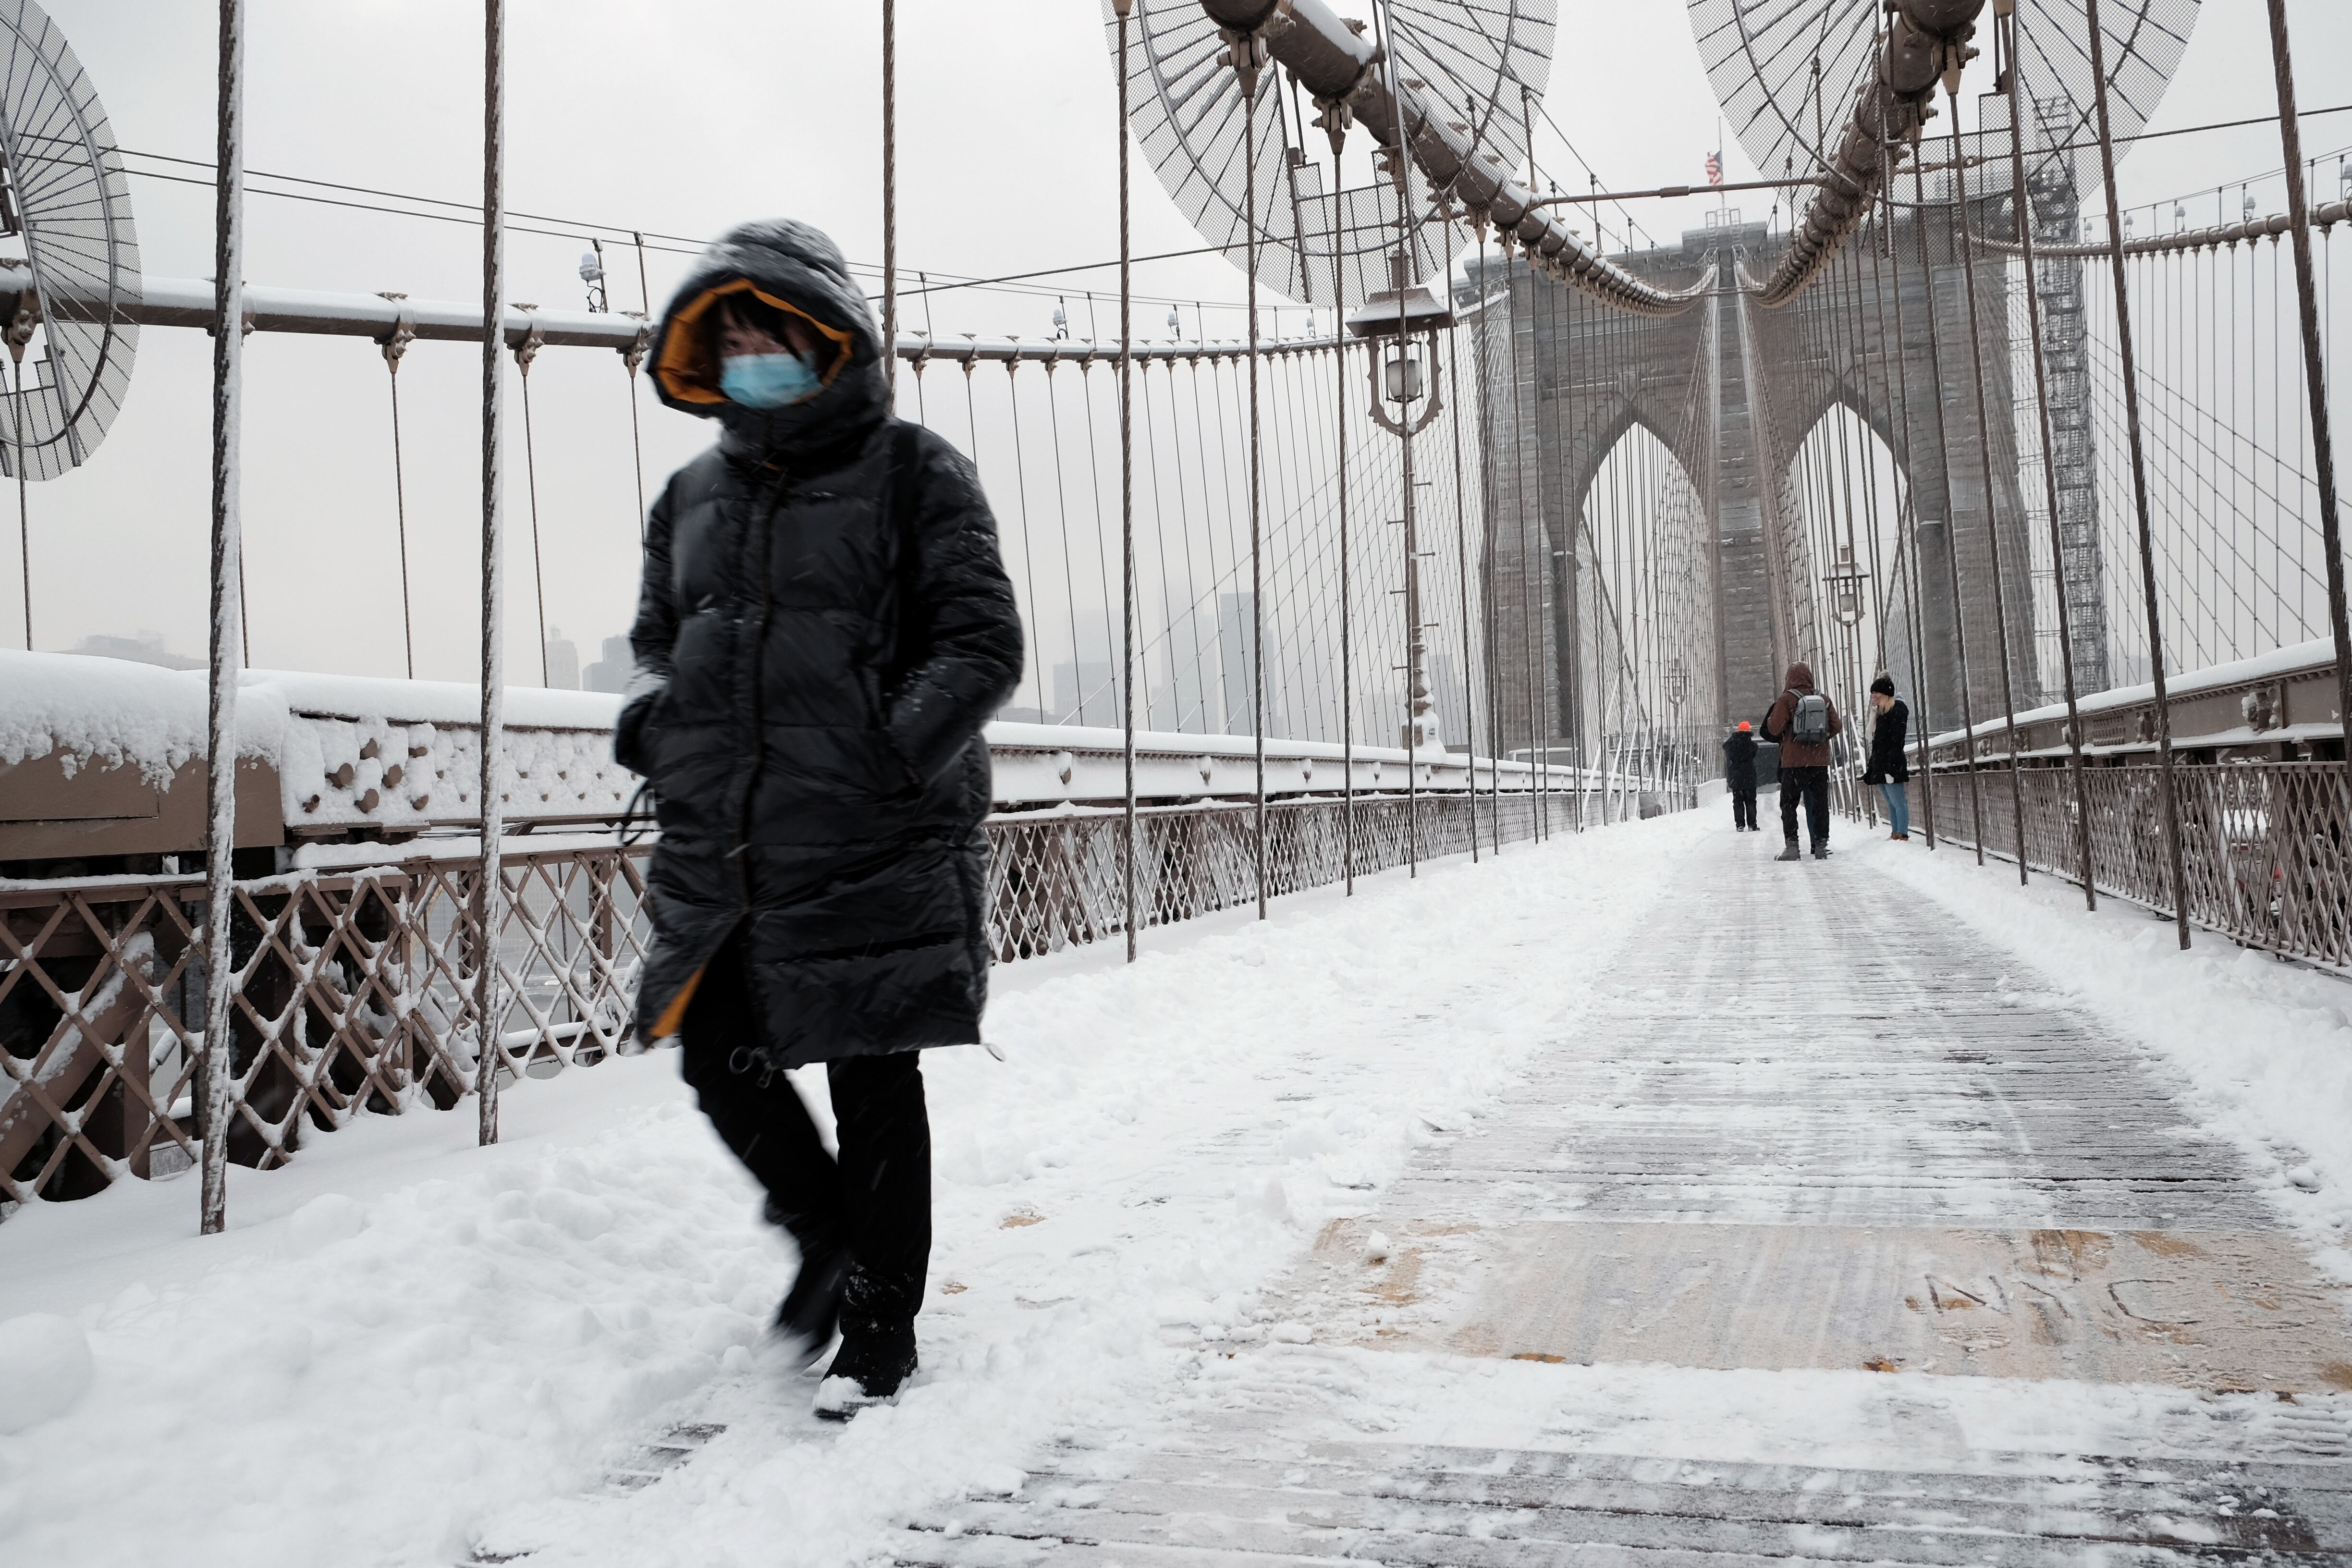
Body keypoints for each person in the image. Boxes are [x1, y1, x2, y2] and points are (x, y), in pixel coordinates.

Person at [616, 219, 1024, 1419]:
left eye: (767, 334)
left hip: (867, 832)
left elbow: (980, 644)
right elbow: (655, 644)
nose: (747, 355)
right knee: (715, 1052)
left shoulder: (915, 472)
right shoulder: (689, 494)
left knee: (868, 1070)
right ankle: (826, 1238)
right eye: (726, 337)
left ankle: (881, 1319)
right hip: (728, 840)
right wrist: (655, 723)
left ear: (826, 340)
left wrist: (881, 757)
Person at [1761, 661, 1842, 861]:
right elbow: (1837, 725)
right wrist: (1822, 738)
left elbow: (1773, 729)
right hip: (1819, 762)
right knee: (1820, 804)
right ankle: (1821, 846)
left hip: (1793, 763)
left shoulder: (1787, 699)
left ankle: (1792, 847)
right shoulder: (1823, 698)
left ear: (1789, 679)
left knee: (1789, 804)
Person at [1862, 673, 1911, 840]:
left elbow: (1897, 740)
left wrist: (1891, 763)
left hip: (1891, 763)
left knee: (1898, 801)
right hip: (1881, 764)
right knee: (1891, 802)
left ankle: (1902, 834)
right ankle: (1895, 833)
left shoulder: (1897, 711)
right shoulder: (1880, 713)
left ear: (1885, 695)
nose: (1873, 697)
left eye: (1877, 693)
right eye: (1873, 693)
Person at [1722, 720, 1759, 831]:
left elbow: (1725, 746)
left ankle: (1740, 825)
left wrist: (1735, 736)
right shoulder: (1753, 745)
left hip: (1736, 776)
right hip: (1749, 776)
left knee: (1738, 801)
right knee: (1751, 801)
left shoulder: (1733, 745)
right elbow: (1754, 754)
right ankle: (1752, 825)